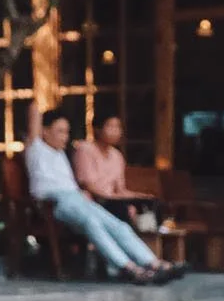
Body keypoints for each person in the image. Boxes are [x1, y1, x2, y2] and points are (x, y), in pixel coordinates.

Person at [24, 104, 181, 284]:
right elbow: (34, 113)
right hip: (55, 202)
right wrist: (39, 100)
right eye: (60, 132)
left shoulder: (60, 153)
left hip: (77, 199)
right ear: (44, 132)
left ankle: (154, 263)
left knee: (118, 225)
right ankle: (129, 268)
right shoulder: (36, 149)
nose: (65, 137)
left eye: (67, 132)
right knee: (92, 223)